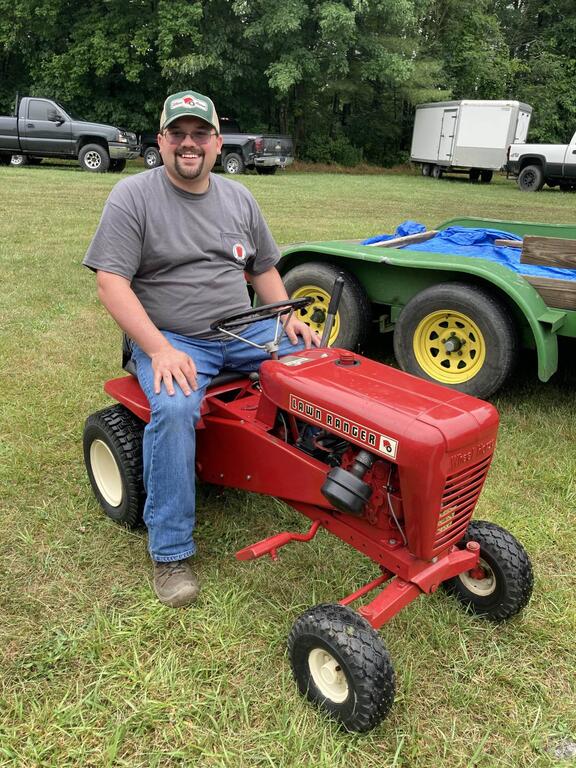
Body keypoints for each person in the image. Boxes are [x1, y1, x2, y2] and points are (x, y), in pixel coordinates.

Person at [83, 89, 319, 607]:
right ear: (161, 140)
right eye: (178, 134)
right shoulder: (133, 196)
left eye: (200, 134)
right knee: (173, 408)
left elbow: (262, 268)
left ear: (216, 142)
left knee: (319, 366)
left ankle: (326, 470)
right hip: (173, 337)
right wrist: (158, 350)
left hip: (245, 330)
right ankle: (170, 553)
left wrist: (288, 317)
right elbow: (111, 282)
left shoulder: (239, 198)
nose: (188, 144)